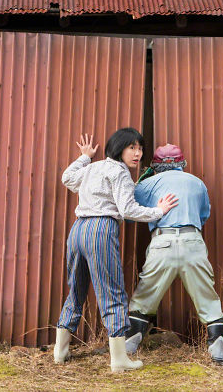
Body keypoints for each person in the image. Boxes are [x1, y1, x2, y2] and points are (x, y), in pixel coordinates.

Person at [53, 128, 179, 373]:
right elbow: (127, 209)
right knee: (112, 290)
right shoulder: (120, 172)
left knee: (76, 290)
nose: (137, 153)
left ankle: (61, 351)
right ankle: (119, 360)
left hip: (78, 230)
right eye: (131, 147)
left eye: (140, 149)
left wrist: (85, 157)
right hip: (100, 229)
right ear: (119, 147)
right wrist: (159, 211)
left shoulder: (93, 167)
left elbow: (67, 178)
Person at [125, 143, 223, 363]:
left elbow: (128, 209)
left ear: (156, 165)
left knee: (144, 297)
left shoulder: (149, 183)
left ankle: (130, 344)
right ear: (183, 163)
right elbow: (203, 216)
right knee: (208, 299)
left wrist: (144, 179)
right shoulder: (197, 183)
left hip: (162, 241)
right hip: (193, 240)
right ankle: (218, 350)